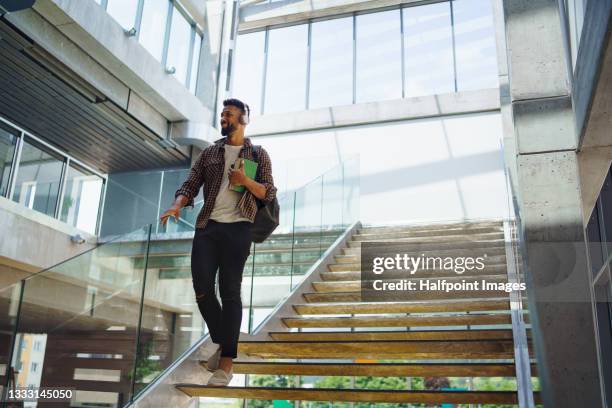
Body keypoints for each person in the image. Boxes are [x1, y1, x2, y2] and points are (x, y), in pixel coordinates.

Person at [159, 98, 276, 386]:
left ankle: (226, 364)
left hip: (239, 228)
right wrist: (177, 204)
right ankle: (224, 343)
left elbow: (268, 193)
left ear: (243, 119)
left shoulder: (259, 154)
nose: (224, 118)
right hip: (207, 226)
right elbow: (190, 183)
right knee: (202, 288)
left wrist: (244, 180)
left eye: (229, 114)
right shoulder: (210, 153)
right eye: (222, 114)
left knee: (230, 291)